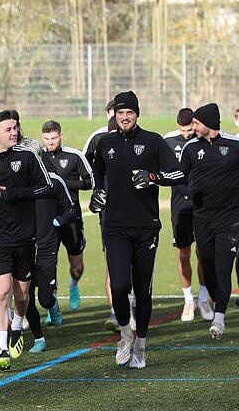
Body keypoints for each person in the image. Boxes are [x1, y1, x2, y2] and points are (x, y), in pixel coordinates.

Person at [90, 91, 185, 369]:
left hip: (146, 227)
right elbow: (97, 175)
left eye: (129, 112)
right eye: (120, 113)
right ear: (115, 115)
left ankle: (141, 347)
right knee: (119, 286)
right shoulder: (105, 143)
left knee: (142, 290)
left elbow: (178, 174)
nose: (125, 117)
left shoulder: (153, 141)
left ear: (137, 113)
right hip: (115, 226)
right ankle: (125, 334)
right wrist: (98, 193)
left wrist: (152, 177)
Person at [0, 110, 51, 370]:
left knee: (22, 295)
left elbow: (46, 187)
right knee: (0, 293)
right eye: (8, 129)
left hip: (25, 238)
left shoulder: (28, 157)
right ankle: (2, 348)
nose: (14, 132)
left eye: (15, 128)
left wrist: (17, 193)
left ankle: (17, 325)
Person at [180, 103, 239, 339]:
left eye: (196, 123)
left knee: (224, 267)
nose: (193, 127)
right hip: (202, 218)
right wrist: (186, 191)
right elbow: (179, 175)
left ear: (209, 125)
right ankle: (217, 302)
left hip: (231, 219)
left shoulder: (235, 145)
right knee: (208, 265)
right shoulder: (191, 148)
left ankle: (219, 318)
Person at [19, 138, 77, 353]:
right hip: (22, 247)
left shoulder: (53, 182)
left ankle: (52, 304)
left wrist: (57, 222)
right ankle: (39, 339)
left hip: (46, 246)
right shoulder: (16, 184)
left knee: (44, 298)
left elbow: (71, 209)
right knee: (25, 297)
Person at [163, 109, 212, 322]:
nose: (186, 134)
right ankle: (188, 300)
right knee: (183, 254)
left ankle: (203, 298)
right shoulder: (167, 142)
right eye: (182, 130)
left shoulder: (204, 139)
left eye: (189, 129)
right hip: (180, 207)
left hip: (203, 206)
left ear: (195, 124)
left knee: (203, 253)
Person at [40, 120, 94, 312]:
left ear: (61, 136)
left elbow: (90, 182)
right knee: (48, 265)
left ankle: (73, 285)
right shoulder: (38, 158)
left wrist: (64, 183)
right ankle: (52, 306)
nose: (50, 142)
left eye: (53, 138)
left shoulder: (74, 156)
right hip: (47, 220)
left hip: (72, 218)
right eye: (46, 139)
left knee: (76, 266)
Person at [83, 100, 126, 332]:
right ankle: (117, 313)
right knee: (113, 259)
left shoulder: (141, 144)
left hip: (136, 216)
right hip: (109, 215)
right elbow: (86, 167)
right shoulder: (98, 140)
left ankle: (131, 309)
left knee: (134, 267)